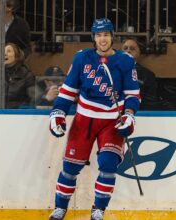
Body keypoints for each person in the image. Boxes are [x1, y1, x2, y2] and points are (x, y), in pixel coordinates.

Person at [48, 18, 140, 220]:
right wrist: (58, 112)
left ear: (112, 36)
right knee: (70, 167)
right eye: (99, 35)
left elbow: (133, 94)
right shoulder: (82, 58)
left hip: (111, 121)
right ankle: (60, 207)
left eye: (106, 34)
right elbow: (68, 91)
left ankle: (98, 209)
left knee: (108, 164)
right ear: (94, 38)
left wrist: (129, 115)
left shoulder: (125, 61)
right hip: (85, 119)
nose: (103, 39)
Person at [0, 43, 34, 108]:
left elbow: (32, 99)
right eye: (3, 51)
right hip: (0, 114)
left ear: (17, 55)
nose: (4, 54)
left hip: (19, 115)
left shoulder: (26, 74)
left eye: (9, 51)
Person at [122, 38, 159, 109]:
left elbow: (151, 101)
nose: (128, 51)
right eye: (125, 48)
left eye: (132, 49)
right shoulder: (110, 70)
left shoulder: (148, 75)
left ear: (139, 53)